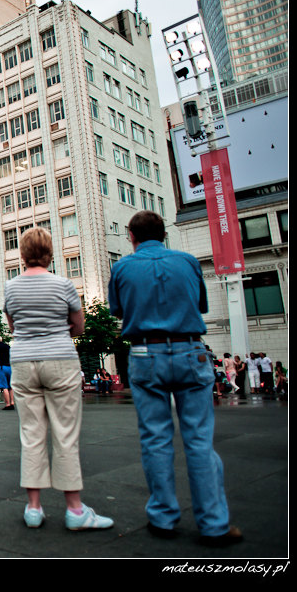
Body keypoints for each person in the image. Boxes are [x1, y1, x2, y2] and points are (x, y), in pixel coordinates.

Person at [108, 210, 241, 546]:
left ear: (131, 236)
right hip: (189, 350)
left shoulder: (122, 267)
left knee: (155, 437)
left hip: (144, 353)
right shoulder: (188, 261)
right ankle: (214, 523)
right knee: (199, 440)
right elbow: (200, 305)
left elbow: (119, 310)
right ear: (164, 234)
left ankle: (163, 516)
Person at [4, 227, 113, 532]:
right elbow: (78, 327)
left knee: (31, 432)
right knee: (65, 432)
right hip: (60, 358)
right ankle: (75, 509)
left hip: (24, 361)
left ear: (22, 254)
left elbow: (14, 328)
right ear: (49, 253)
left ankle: (34, 507)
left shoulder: (11, 287)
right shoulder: (63, 285)